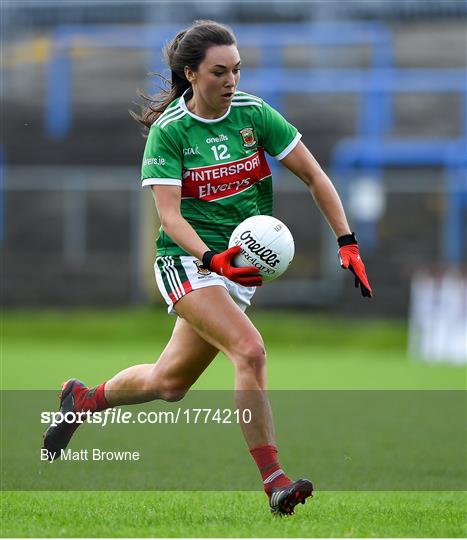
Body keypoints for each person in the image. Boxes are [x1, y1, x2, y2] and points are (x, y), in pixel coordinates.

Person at [43, 19, 372, 516]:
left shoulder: (255, 115)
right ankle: (275, 483)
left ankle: (83, 400)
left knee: (168, 383)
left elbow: (314, 174)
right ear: (191, 74)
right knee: (250, 349)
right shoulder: (171, 132)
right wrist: (210, 258)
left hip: (234, 271)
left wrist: (347, 241)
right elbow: (170, 217)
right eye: (220, 72)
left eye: (237, 70)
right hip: (186, 263)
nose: (232, 81)